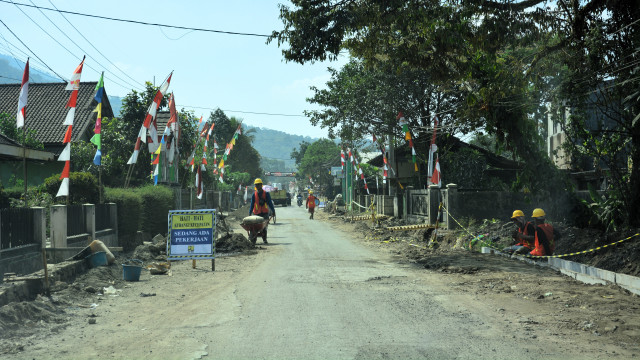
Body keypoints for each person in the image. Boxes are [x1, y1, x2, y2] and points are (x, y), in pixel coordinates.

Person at [248, 178, 276, 244]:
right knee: (254, 227)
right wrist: (249, 212)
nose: (257, 186)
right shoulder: (254, 195)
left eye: (258, 185)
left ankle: (264, 239)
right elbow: (252, 204)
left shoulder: (266, 194)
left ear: (261, 185)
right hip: (256, 214)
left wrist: (273, 211)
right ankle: (253, 238)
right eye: (256, 185)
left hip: (264, 213)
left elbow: (270, 203)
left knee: (264, 227)